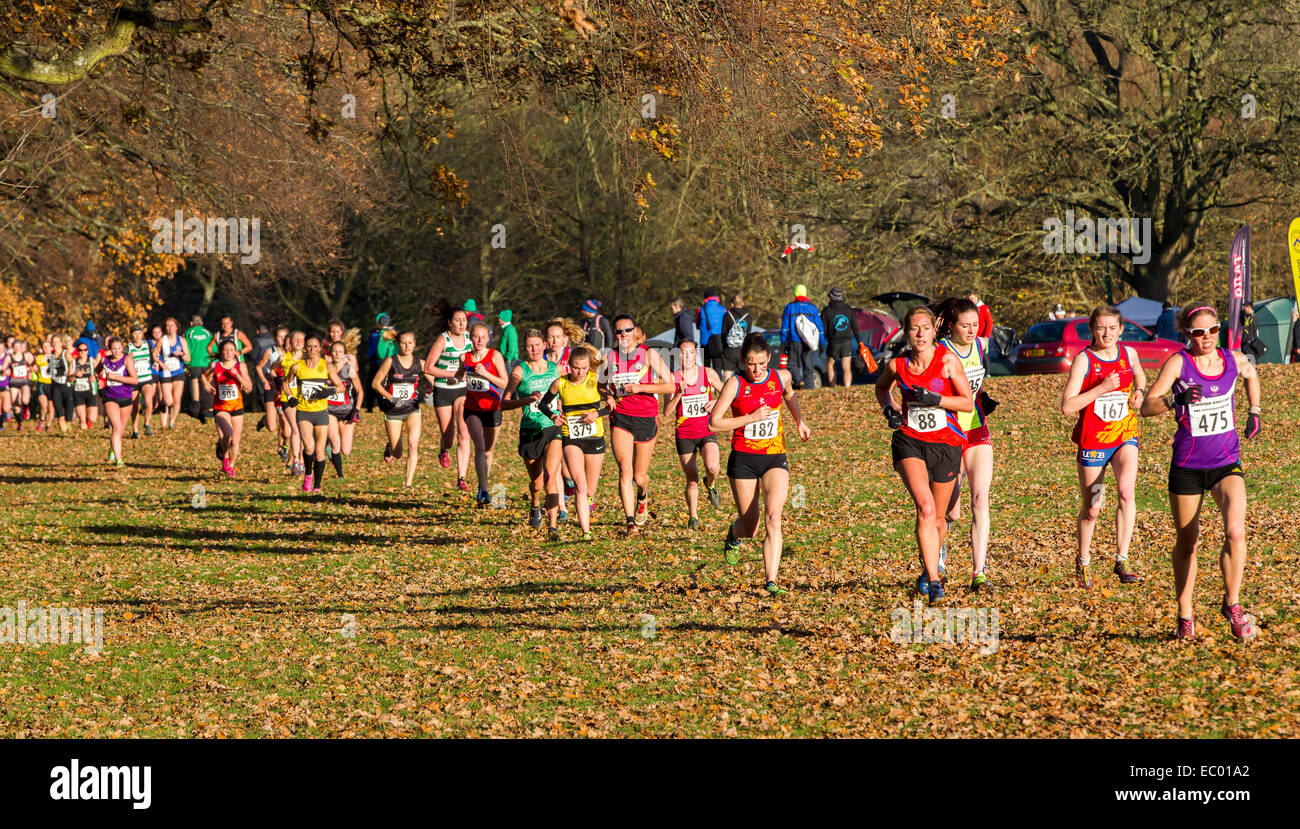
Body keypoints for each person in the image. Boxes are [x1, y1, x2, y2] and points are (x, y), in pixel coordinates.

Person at [1139, 304, 1261, 640]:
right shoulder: (1179, 363)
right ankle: (1185, 616)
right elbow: (1146, 406)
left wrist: (1255, 410)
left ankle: (1232, 606)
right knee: (1188, 543)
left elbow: (1252, 374)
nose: (1206, 338)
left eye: (1212, 330)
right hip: (1188, 466)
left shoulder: (1233, 359)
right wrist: (1174, 402)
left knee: (1236, 532)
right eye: (1198, 333)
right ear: (1187, 335)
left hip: (1226, 463)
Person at [876, 306, 974, 605]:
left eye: (925, 328)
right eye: (914, 328)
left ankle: (928, 565)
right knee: (925, 508)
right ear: (906, 332)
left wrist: (937, 400)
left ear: (934, 331)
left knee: (940, 519)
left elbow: (967, 404)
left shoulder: (947, 362)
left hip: (946, 444)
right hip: (910, 442)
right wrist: (889, 410)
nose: (920, 333)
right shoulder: (897, 365)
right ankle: (933, 580)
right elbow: (881, 389)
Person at [710, 331, 811, 595]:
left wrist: (799, 421)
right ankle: (734, 535)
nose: (757, 369)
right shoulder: (735, 384)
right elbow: (715, 422)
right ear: (744, 360)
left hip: (774, 457)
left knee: (774, 517)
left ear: (769, 360)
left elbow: (789, 395)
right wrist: (750, 418)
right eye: (752, 363)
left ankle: (771, 581)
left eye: (762, 363)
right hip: (743, 459)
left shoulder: (781, 377)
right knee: (750, 526)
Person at [1061, 304, 1146, 588]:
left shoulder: (1129, 353)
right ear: (1092, 330)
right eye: (1101, 328)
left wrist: (1139, 390)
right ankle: (1083, 560)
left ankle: (1122, 558)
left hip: (1124, 435)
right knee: (1093, 508)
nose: (1107, 333)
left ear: (1122, 329)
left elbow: (1140, 374)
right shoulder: (1084, 360)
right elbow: (1067, 406)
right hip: (1094, 441)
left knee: (1125, 492)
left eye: (1112, 327)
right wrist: (1101, 388)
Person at [936, 298, 997, 593]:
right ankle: (939, 558)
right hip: (948, 434)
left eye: (975, 324)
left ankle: (979, 572)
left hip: (976, 430)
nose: (972, 330)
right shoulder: (941, 352)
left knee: (980, 500)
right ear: (951, 325)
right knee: (951, 512)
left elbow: (976, 382)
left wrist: (983, 396)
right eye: (965, 325)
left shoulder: (979, 348)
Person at [605, 313, 674, 535]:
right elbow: (602, 385)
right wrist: (606, 395)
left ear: (635, 332)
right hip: (621, 417)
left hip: (645, 417)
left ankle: (642, 495)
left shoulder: (649, 354)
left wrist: (641, 387)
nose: (624, 335)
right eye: (619, 331)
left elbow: (670, 385)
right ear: (615, 335)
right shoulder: (610, 357)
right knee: (625, 469)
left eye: (627, 330)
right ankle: (630, 522)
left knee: (639, 477)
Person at [537, 343, 610, 541]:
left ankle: (588, 503)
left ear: (589, 367)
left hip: (594, 437)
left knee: (590, 492)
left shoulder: (596, 380)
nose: (579, 372)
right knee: (580, 485)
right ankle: (586, 532)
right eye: (576, 367)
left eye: (584, 368)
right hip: (571, 437)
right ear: (569, 365)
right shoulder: (560, 383)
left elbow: (612, 405)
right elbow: (543, 404)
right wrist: (553, 416)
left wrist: (597, 413)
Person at [502, 330, 560, 528]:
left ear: (544, 345)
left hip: (553, 428)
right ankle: (535, 505)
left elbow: (564, 395)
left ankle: (552, 526)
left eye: (537, 345)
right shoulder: (520, 371)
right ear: (524, 348)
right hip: (530, 430)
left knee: (551, 478)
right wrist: (528, 399)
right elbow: (504, 403)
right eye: (529, 346)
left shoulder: (555, 369)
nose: (534, 349)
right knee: (536, 483)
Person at [664, 339, 723, 529]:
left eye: (690, 352)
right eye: (683, 352)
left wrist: (715, 403)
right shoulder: (672, 378)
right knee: (692, 480)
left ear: (696, 354)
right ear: (677, 355)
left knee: (713, 467)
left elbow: (726, 394)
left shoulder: (707, 373)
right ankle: (693, 517)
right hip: (685, 434)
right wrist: (679, 394)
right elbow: (666, 412)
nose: (687, 356)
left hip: (706, 429)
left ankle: (711, 485)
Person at [286, 335, 345, 495]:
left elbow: (340, 387)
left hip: (321, 412)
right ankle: (308, 474)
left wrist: (328, 390)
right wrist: (290, 397)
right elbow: (286, 383)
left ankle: (317, 485)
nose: (312, 350)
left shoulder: (326, 366)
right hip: (304, 411)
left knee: (320, 451)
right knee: (309, 447)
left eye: (315, 347)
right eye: (309, 347)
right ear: (306, 348)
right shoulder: (297, 367)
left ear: (320, 349)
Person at [423, 304, 473, 490]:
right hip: (443, 390)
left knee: (464, 432)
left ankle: (461, 478)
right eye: (458, 320)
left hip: (463, 391)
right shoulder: (443, 340)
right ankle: (444, 450)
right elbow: (428, 367)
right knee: (448, 437)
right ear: (450, 323)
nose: (461, 323)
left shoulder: (470, 339)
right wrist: (453, 374)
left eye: (464, 320)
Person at [460, 322, 509, 507]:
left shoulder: (494, 355)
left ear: (488, 338)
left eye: (483, 337)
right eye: (476, 336)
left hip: (493, 409)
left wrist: (486, 374)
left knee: (488, 450)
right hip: (472, 409)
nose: (479, 340)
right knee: (479, 447)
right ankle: (484, 488)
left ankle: (484, 484)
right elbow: (459, 375)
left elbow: (505, 383)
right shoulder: (464, 357)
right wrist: (453, 380)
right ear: (470, 337)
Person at [544, 318, 586, 520]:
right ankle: (562, 507)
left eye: (558, 337)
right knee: (556, 463)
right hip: (549, 415)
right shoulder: (541, 359)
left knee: (569, 470)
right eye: (550, 337)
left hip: (573, 415)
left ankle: (570, 486)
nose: (554, 340)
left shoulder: (572, 357)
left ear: (565, 339)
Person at [373, 331, 426, 489]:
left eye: (410, 342)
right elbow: (375, 383)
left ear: (415, 344)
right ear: (398, 344)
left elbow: (435, 378)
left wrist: (447, 382)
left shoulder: (420, 363)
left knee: (413, 444)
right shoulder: (391, 361)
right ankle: (391, 446)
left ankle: (408, 483)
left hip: (412, 408)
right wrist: (390, 397)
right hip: (393, 410)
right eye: (403, 343)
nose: (407, 346)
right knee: (397, 453)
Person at [201, 338, 254, 477]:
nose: (228, 353)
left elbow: (249, 387)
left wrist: (237, 375)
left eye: (231, 350)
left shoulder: (240, 366)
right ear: (221, 352)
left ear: (235, 352)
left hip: (237, 407)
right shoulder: (215, 365)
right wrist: (206, 384)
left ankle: (231, 465)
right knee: (228, 434)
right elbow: (203, 375)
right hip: (220, 407)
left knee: (235, 441)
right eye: (225, 350)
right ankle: (224, 456)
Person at [325, 339, 364, 479]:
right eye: (334, 351)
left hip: (347, 411)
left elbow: (360, 391)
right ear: (330, 353)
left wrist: (357, 410)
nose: (337, 354)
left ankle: (327, 444)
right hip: (329, 410)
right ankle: (340, 474)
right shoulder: (326, 367)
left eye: (340, 352)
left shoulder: (348, 369)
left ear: (344, 354)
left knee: (346, 450)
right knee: (335, 441)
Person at [780, 284, 824, 390]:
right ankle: (809, 387)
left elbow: (785, 327)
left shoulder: (790, 307)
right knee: (809, 366)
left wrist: (783, 341)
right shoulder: (813, 308)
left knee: (792, 365)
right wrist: (822, 343)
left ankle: (800, 382)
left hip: (794, 341)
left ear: (795, 293)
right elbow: (820, 328)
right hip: (809, 342)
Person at [275, 331, 306, 476]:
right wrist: (274, 381)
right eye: (296, 340)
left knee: (303, 430)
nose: (299, 342)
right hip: (288, 398)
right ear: (290, 343)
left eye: (301, 339)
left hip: (305, 398)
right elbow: (273, 370)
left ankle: (301, 460)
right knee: (295, 428)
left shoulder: (309, 357)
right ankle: (296, 461)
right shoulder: (284, 357)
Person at [255, 327, 287, 457]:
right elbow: (258, 367)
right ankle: (264, 421)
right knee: (272, 427)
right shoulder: (270, 351)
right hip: (271, 387)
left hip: (284, 388)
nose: (281, 340)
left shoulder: (290, 353)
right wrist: (265, 381)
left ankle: (281, 447)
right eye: (279, 337)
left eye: (284, 337)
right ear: (275, 338)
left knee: (283, 419)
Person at [821, 287, 861, 388]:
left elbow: (823, 329)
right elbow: (855, 326)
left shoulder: (826, 311)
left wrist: (823, 340)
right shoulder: (849, 309)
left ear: (831, 297)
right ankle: (847, 387)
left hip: (833, 341)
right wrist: (859, 340)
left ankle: (832, 385)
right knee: (846, 366)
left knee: (831, 364)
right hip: (846, 341)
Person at [154, 318, 190, 428]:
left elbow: (188, 359)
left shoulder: (182, 341)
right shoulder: (162, 340)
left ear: (176, 327)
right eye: (168, 326)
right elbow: (154, 354)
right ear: (166, 328)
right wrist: (160, 363)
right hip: (165, 372)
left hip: (178, 371)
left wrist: (181, 354)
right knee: (169, 401)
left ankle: (172, 422)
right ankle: (165, 413)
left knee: (177, 400)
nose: (170, 328)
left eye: (172, 325)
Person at [126, 325, 156, 439]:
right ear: (131, 335)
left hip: (146, 378)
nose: (137, 336)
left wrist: (155, 363)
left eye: (139, 333)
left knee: (149, 402)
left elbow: (152, 356)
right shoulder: (128, 348)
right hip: (134, 380)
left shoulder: (147, 345)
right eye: (135, 334)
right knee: (135, 406)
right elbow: (124, 361)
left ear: (142, 335)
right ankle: (135, 429)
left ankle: (147, 423)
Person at [183, 315, 214, 421]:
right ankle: (208, 408)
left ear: (191, 324)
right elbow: (213, 347)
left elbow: (187, 349)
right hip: (207, 362)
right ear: (202, 323)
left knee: (195, 382)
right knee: (208, 383)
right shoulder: (208, 333)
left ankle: (195, 407)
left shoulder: (189, 333)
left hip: (195, 362)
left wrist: (186, 363)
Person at [366, 313, 397, 412]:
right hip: (390, 363)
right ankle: (384, 404)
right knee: (386, 384)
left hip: (376, 363)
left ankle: (372, 406)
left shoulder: (374, 333)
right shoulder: (393, 332)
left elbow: (372, 349)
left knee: (373, 384)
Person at [719, 294, 752, 380]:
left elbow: (723, 333)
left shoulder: (727, 315)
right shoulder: (748, 317)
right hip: (742, 349)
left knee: (728, 372)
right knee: (744, 373)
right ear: (743, 304)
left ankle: (727, 390)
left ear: (732, 304)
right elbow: (748, 334)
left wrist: (724, 347)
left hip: (729, 349)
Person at [70, 342, 101, 429]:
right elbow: (68, 378)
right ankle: (83, 423)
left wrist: (94, 378)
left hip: (91, 391)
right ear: (78, 351)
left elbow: (99, 373)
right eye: (80, 350)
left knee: (92, 418)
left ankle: (87, 420)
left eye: (85, 350)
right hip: (78, 392)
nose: (82, 352)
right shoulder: (74, 363)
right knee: (82, 420)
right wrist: (74, 375)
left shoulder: (92, 361)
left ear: (87, 351)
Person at [48, 334, 73, 433]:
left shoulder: (65, 353)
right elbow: (50, 372)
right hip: (55, 385)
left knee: (68, 408)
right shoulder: (50, 356)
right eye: (53, 342)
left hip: (66, 384)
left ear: (61, 343)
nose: (55, 344)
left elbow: (72, 363)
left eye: (57, 342)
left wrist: (70, 372)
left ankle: (68, 424)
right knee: (58, 408)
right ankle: (62, 425)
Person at [697, 290, 727, 372]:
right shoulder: (723, 309)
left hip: (705, 341)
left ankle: (706, 383)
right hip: (718, 341)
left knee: (706, 368)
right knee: (717, 366)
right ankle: (718, 382)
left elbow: (697, 324)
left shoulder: (701, 310)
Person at [7, 339, 32, 429]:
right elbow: (4, 366)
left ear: (21, 347)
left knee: (25, 400)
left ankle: (26, 408)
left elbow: (32, 365)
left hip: (24, 382)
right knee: (15, 405)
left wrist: (31, 369)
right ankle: (20, 423)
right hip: (14, 382)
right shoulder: (9, 357)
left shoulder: (26, 356)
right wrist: (4, 370)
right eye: (15, 346)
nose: (17, 348)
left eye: (19, 346)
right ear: (13, 347)